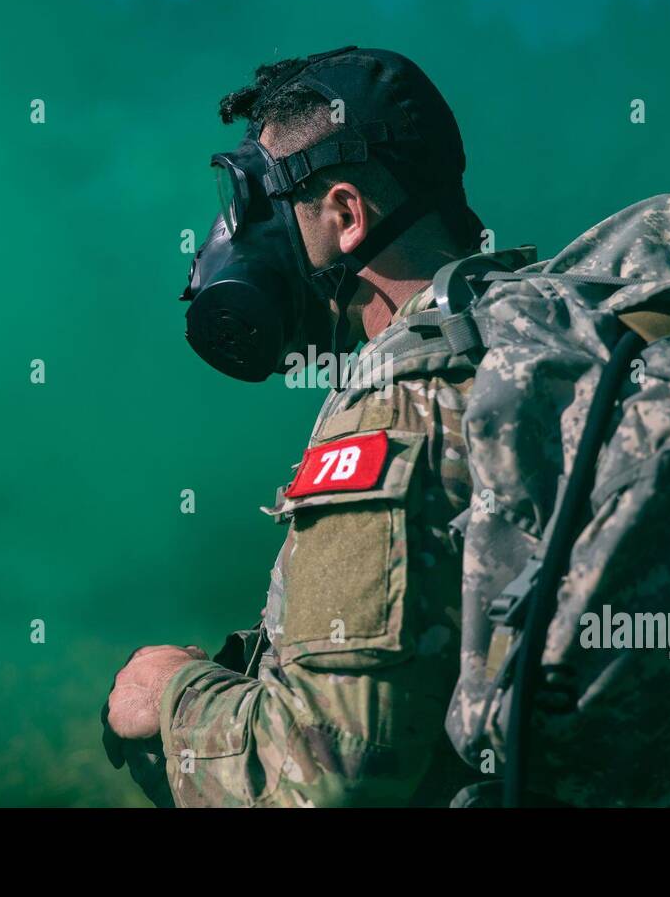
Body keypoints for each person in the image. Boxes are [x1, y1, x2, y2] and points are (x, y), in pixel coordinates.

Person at [103, 47, 512, 806]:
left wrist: (170, 694)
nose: (242, 238)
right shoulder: (546, 351)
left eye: (264, 207)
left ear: (347, 215)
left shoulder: (401, 404)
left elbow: (330, 774)